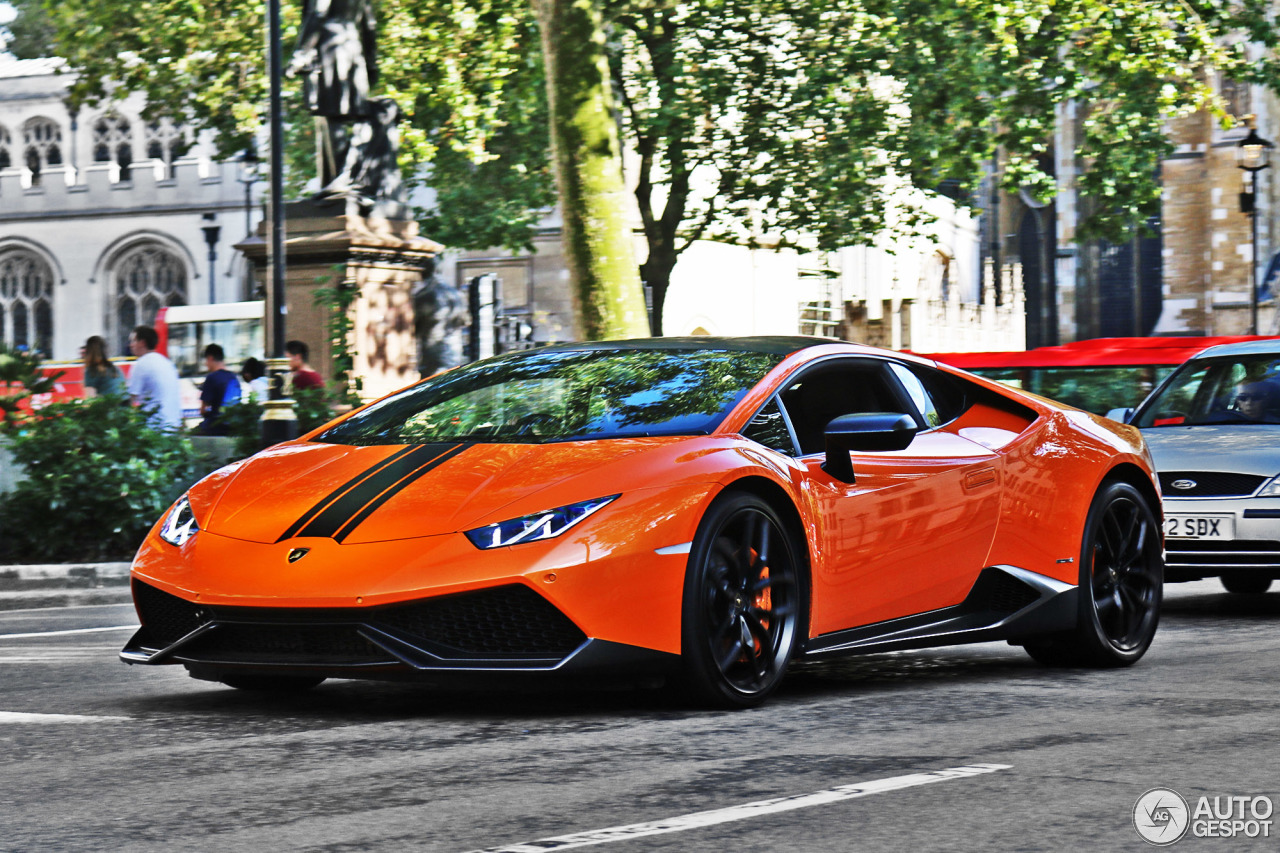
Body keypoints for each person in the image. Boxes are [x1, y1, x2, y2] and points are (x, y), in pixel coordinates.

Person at [127, 325, 182, 431]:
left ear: (142, 343)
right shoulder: (166, 362)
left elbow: (130, 398)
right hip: (173, 426)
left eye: (133, 341)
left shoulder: (142, 364)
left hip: (154, 429)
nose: (130, 345)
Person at [198, 343, 242, 436]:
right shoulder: (233, 377)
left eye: (206, 361)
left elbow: (203, 410)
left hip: (215, 428)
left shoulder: (212, 377)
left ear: (210, 358)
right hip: (234, 427)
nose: (206, 364)